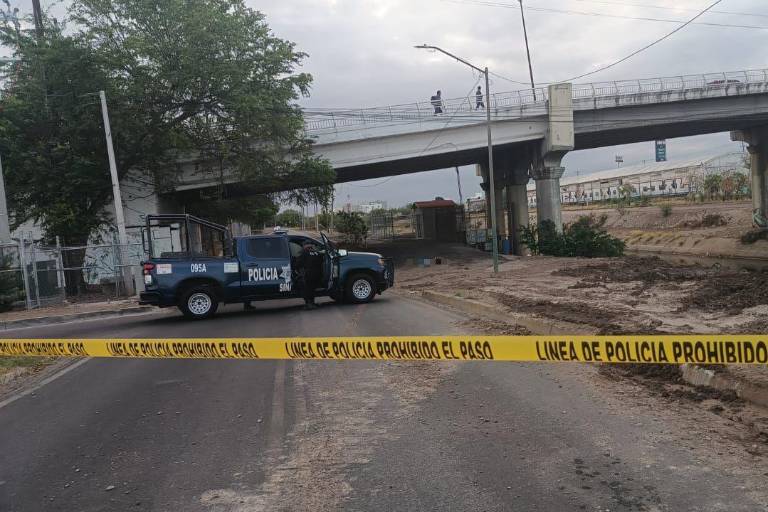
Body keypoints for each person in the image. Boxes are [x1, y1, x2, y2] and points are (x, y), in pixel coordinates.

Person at [298, 241, 323, 309]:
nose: (303, 247)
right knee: (312, 289)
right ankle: (312, 303)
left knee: (306, 289)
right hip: (318, 274)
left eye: (303, 245)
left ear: (305, 246)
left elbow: (299, 263)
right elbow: (321, 261)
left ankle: (308, 304)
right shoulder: (317, 253)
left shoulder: (304, 253)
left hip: (309, 274)